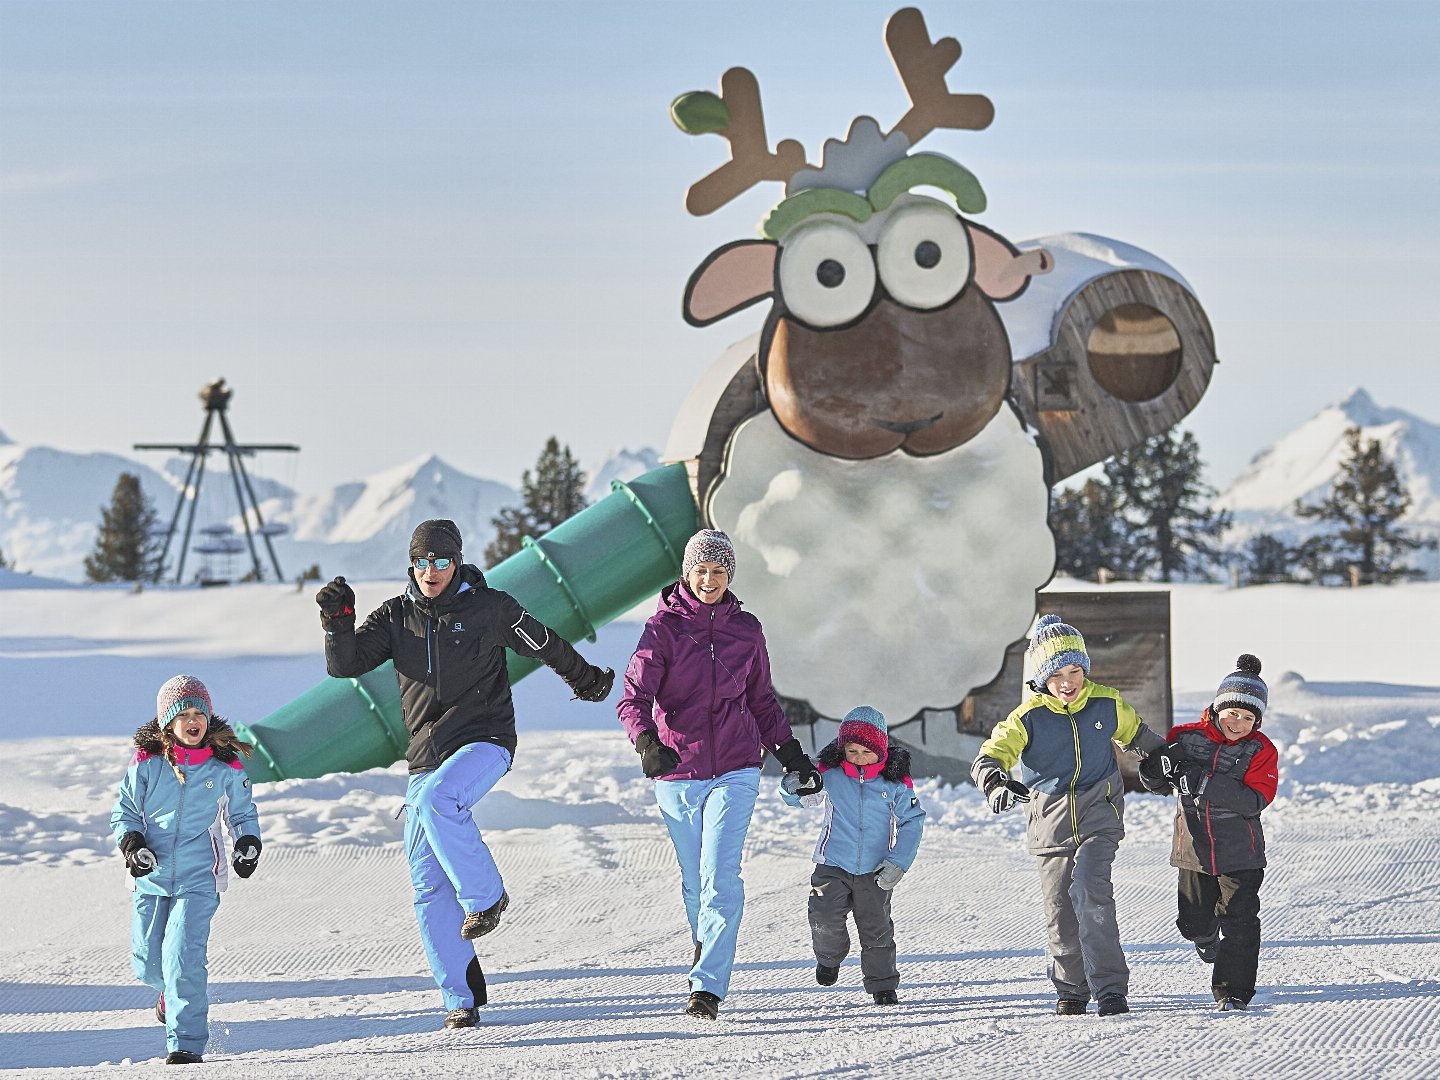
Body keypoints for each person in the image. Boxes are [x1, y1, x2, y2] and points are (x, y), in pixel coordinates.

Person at [315, 518, 614, 1030]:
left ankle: (486, 896)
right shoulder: (395, 616)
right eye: (421, 562)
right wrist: (339, 623)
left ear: (456, 562)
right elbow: (345, 667)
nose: (431, 571)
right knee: (427, 885)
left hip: (485, 740)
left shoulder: (490, 608)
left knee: (437, 801)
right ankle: (460, 997)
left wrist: (585, 679)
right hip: (425, 758)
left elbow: (545, 643)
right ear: (412, 565)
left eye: (441, 561)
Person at [617, 528, 822, 1020]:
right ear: (687, 573)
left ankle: (708, 984)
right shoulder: (662, 629)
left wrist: (791, 754)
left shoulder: (746, 629)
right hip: (678, 768)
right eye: (701, 571)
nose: (709, 580)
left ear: (730, 575)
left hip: (736, 764)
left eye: (719, 571)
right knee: (694, 881)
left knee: (719, 874)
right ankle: (703, 943)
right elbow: (632, 698)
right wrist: (647, 742)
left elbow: (761, 700)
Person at [970, 613, 1164, 1017]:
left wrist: (1168, 760)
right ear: (1042, 678)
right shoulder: (1028, 718)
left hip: (1100, 814)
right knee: (1059, 909)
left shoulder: (1106, 703)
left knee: (1091, 891)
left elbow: (1141, 737)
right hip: (1050, 825)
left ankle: (1110, 988)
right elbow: (991, 755)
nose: (1068, 681)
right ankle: (1072, 988)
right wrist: (995, 783)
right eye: (1057, 674)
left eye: (1075, 670)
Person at [111, 675, 262, 1066]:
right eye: (184, 714)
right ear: (168, 722)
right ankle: (170, 995)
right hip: (151, 875)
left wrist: (247, 842)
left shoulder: (224, 766)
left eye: (200, 713)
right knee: (147, 963)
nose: (193, 721)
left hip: (199, 878)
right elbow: (125, 812)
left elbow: (242, 813)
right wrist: (133, 843)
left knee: (183, 958)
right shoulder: (146, 766)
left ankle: (186, 1042)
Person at [1138, 653, 1278, 1011]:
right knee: (1193, 921)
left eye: (1248, 717)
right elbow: (1155, 781)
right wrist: (1155, 769)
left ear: (1257, 722)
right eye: (1233, 712)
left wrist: (1204, 781)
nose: (1238, 722)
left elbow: (1254, 800)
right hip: (1194, 849)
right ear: (1218, 709)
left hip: (1240, 853)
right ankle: (1205, 939)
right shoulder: (1185, 739)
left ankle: (1234, 991)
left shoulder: (1261, 750)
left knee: (1241, 922)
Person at [780, 705, 925, 1006]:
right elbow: (805, 797)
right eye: (852, 750)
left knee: (876, 928)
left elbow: (912, 820)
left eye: (866, 751)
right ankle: (829, 958)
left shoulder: (895, 782)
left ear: (881, 749)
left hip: (875, 870)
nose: (859, 758)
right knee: (823, 917)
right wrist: (795, 787)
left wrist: (898, 862)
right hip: (832, 863)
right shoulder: (829, 774)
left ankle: (882, 984)